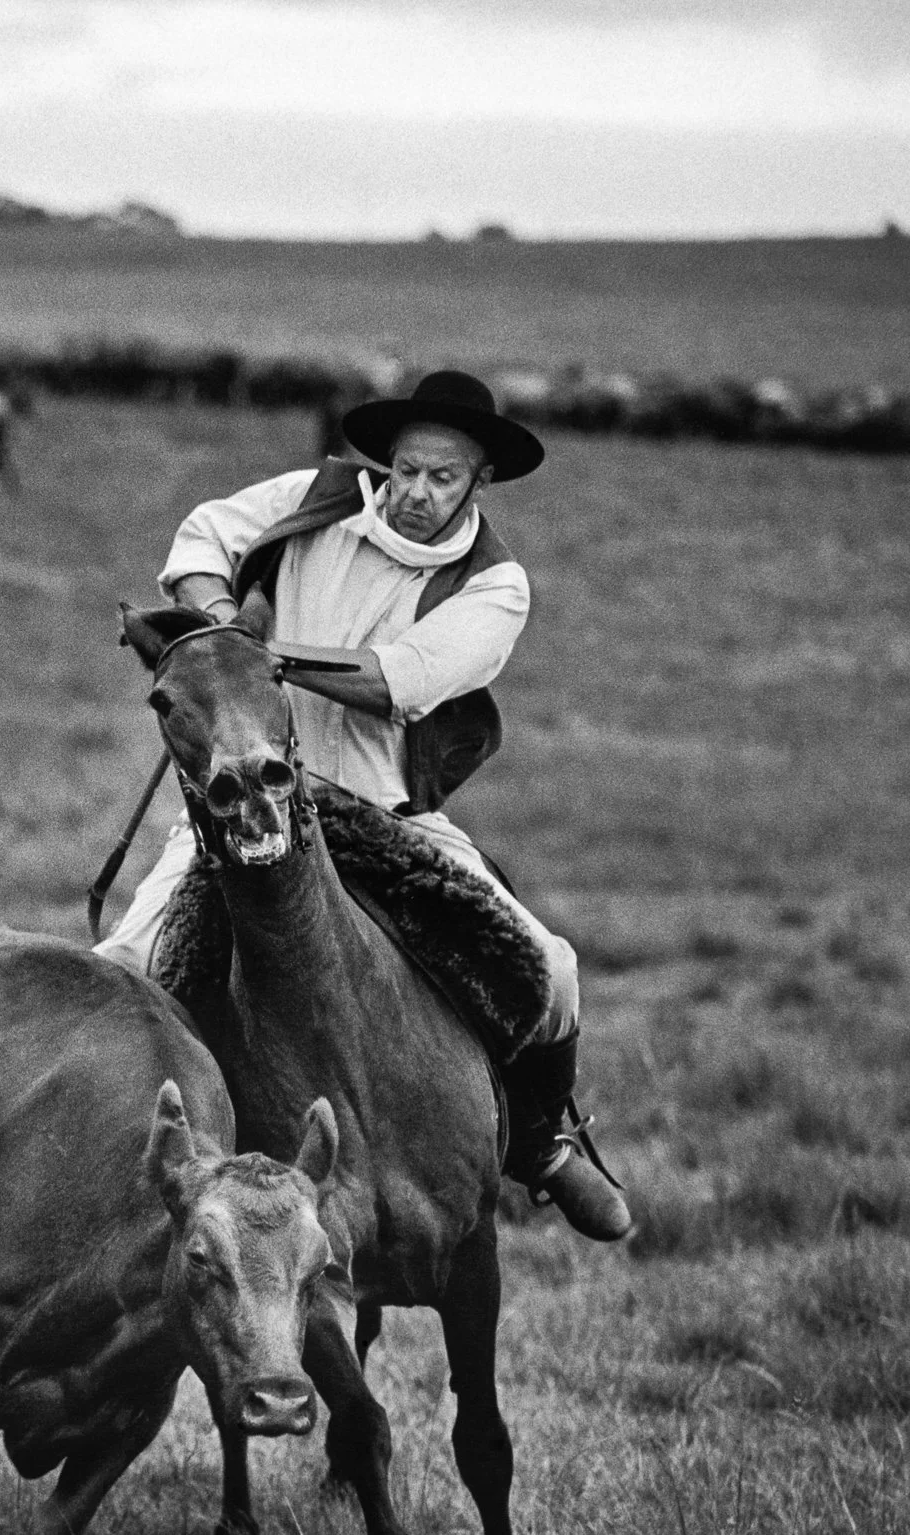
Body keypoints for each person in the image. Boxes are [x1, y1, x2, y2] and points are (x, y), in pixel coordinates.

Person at [96, 370, 630, 1242]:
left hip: (388, 816)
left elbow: (398, 682)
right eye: (407, 469)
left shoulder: (496, 584)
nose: (416, 491)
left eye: (443, 477)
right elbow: (199, 541)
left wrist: (254, 658)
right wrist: (227, 626)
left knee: (555, 972)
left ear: (479, 480)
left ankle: (538, 1144)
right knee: (120, 968)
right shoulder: (319, 495)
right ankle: (131, 1194)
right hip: (251, 805)